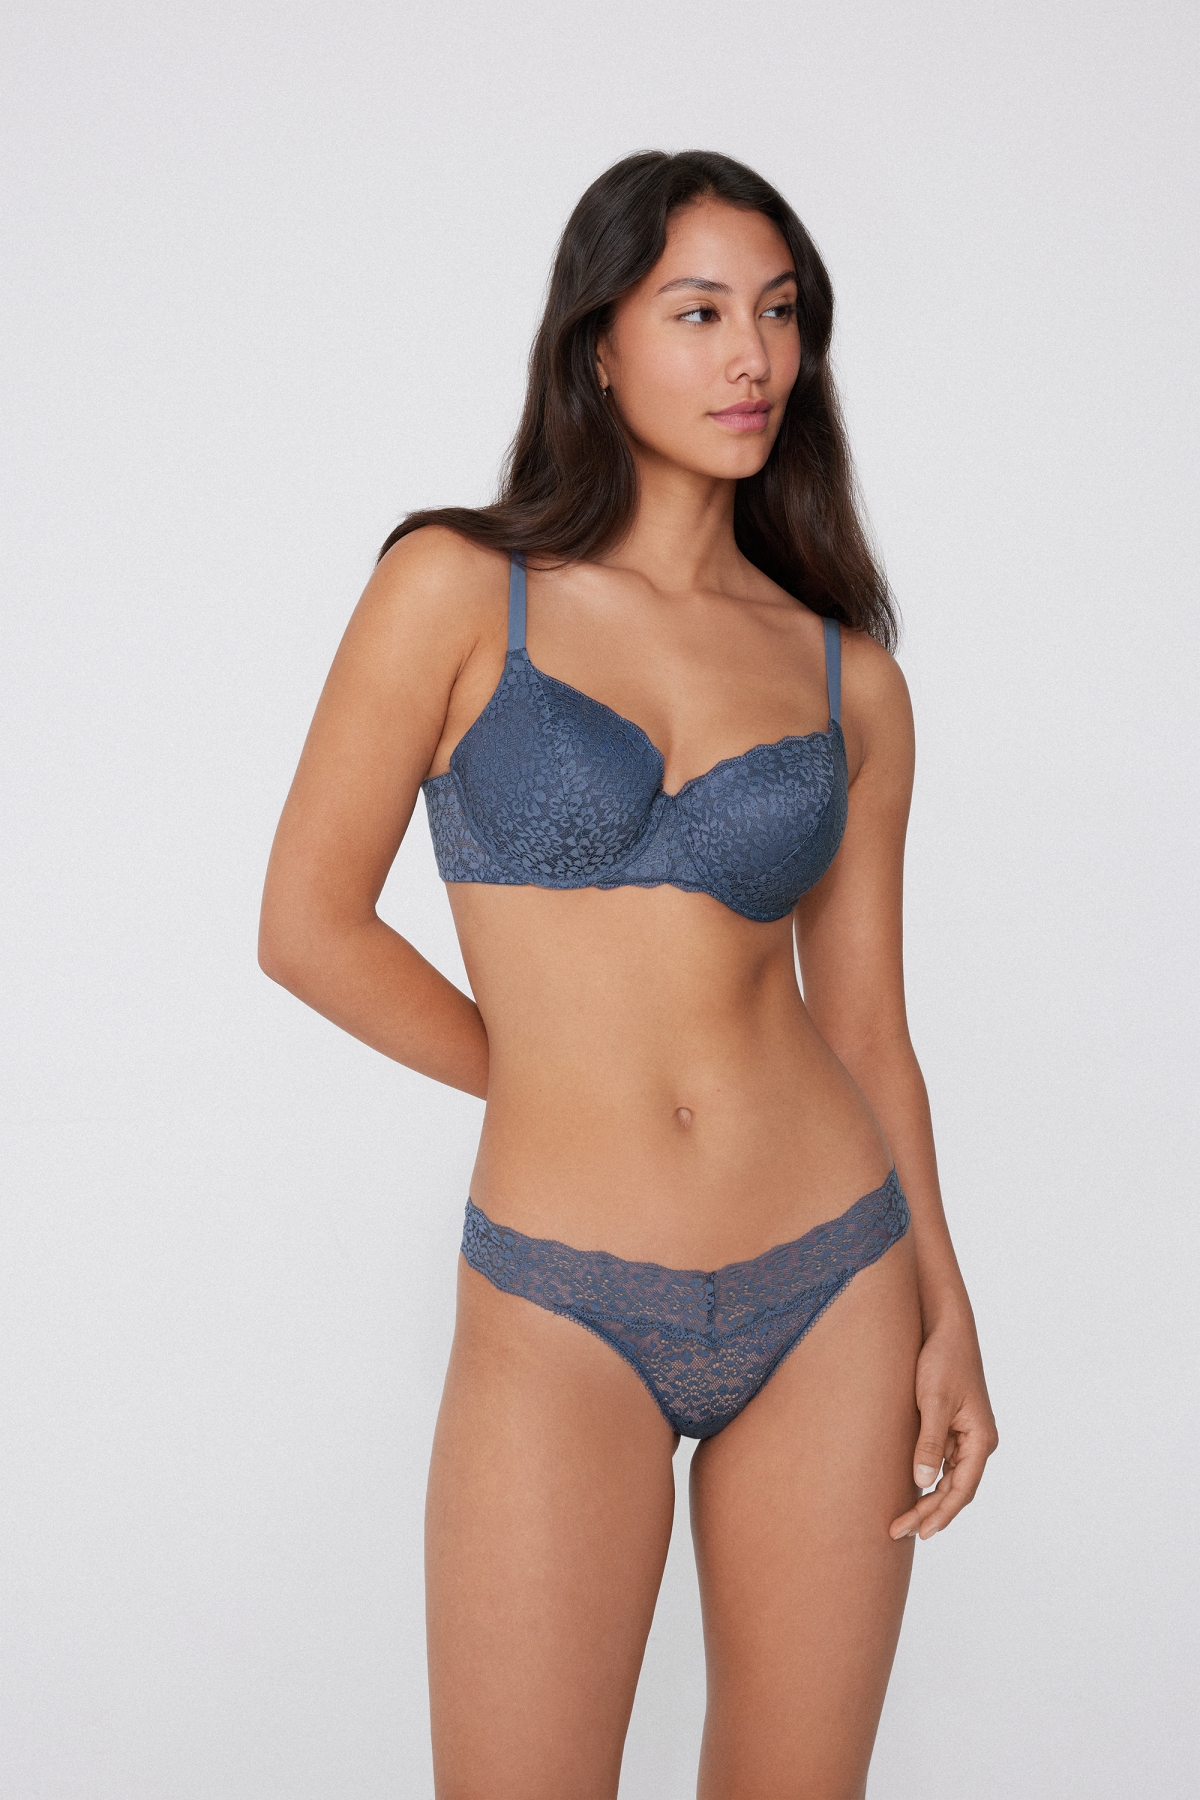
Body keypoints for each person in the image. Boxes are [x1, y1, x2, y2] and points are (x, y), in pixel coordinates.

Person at [259, 148, 998, 1800]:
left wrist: (947, 1308)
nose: (754, 357)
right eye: (701, 312)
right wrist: (546, 1077)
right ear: (598, 343)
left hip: (834, 1281)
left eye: (781, 314)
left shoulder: (847, 675)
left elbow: (868, 1030)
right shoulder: (457, 589)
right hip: (558, 1296)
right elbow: (306, 923)